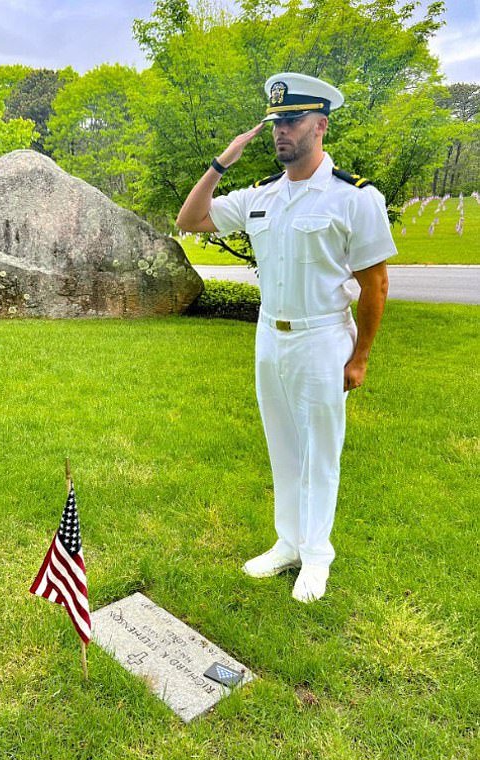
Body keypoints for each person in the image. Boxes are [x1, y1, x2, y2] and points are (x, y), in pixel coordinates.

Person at [176, 73, 397, 602]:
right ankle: (288, 543)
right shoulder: (262, 197)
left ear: (320, 126)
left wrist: (360, 357)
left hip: (322, 338)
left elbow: (376, 284)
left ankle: (317, 556)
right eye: (276, 122)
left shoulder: (355, 198)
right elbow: (191, 218)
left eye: (293, 121)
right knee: (283, 445)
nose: (281, 131)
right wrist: (222, 162)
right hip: (269, 338)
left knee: (319, 450)